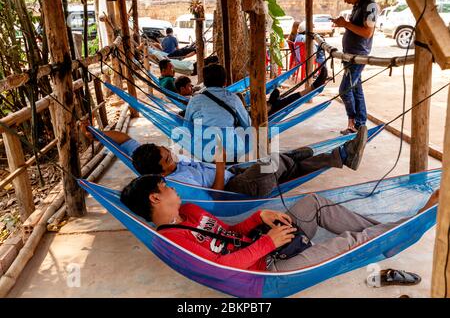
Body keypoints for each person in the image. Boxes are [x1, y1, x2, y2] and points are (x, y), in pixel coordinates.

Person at [120, 174, 440, 271]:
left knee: (314, 202)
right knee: (348, 245)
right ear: (155, 198)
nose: (173, 187)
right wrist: (268, 242)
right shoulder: (171, 241)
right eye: (166, 186)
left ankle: (394, 233)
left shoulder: (189, 210)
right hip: (268, 270)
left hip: (270, 244)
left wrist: (261, 217)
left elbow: (229, 234)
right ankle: (407, 226)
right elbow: (224, 266)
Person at [81, 120, 369, 197]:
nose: (173, 156)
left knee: (281, 163)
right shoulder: (179, 182)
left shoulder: (144, 158)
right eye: (168, 158)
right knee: (272, 160)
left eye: (167, 151)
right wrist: (219, 165)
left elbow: (124, 140)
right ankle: (292, 158)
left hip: (238, 173)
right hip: (238, 190)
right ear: (162, 172)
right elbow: (217, 195)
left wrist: (94, 132)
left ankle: (342, 155)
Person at [332, 0, 378, 135]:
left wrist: (345, 24)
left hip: (358, 56)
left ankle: (353, 121)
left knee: (344, 90)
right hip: (350, 55)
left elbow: (367, 32)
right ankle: (359, 125)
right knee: (357, 91)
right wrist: (343, 24)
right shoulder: (358, 5)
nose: (345, 0)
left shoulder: (370, 5)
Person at [184, 64, 251, 128]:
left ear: (204, 83)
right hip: (228, 139)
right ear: (225, 82)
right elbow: (247, 124)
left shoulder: (194, 101)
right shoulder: (234, 99)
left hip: (202, 139)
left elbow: (186, 127)